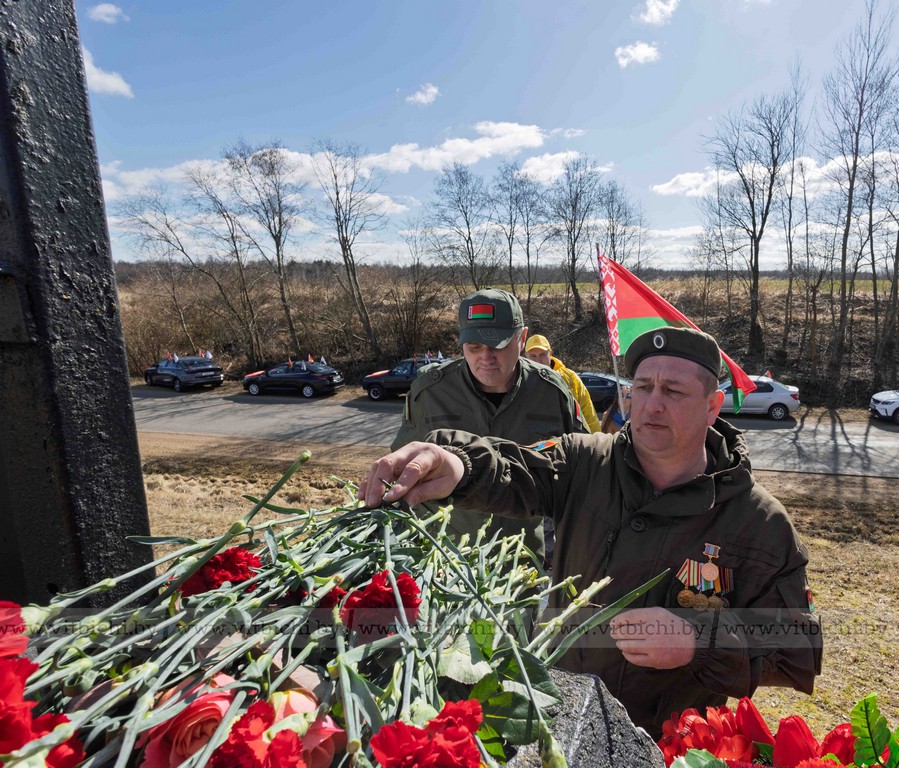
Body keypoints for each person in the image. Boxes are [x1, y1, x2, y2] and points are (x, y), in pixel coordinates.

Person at [361, 326, 821, 738]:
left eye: (674, 391)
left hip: (667, 742)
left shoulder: (758, 521)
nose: (652, 404)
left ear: (712, 406)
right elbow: (514, 468)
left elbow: (797, 649)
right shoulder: (585, 461)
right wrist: (458, 463)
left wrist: (699, 641)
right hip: (560, 723)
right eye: (643, 387)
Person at [391, 288, 588, 561]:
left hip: (519, 559)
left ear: (522, 338)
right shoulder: (429, 392)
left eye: (498, 346)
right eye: (474, 347)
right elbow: (402, 471)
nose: (485, 357)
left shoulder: (551, 392)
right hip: (444, 560)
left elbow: (582, 470)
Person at [524, 334, 601, 433]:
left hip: (569, 438)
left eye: (543, 355)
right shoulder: (521, 381)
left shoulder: (570, 377)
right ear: (526, 356)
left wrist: (595, 437)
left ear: (550, 353)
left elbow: (588, 412)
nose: (538, 361)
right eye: (533, 356)